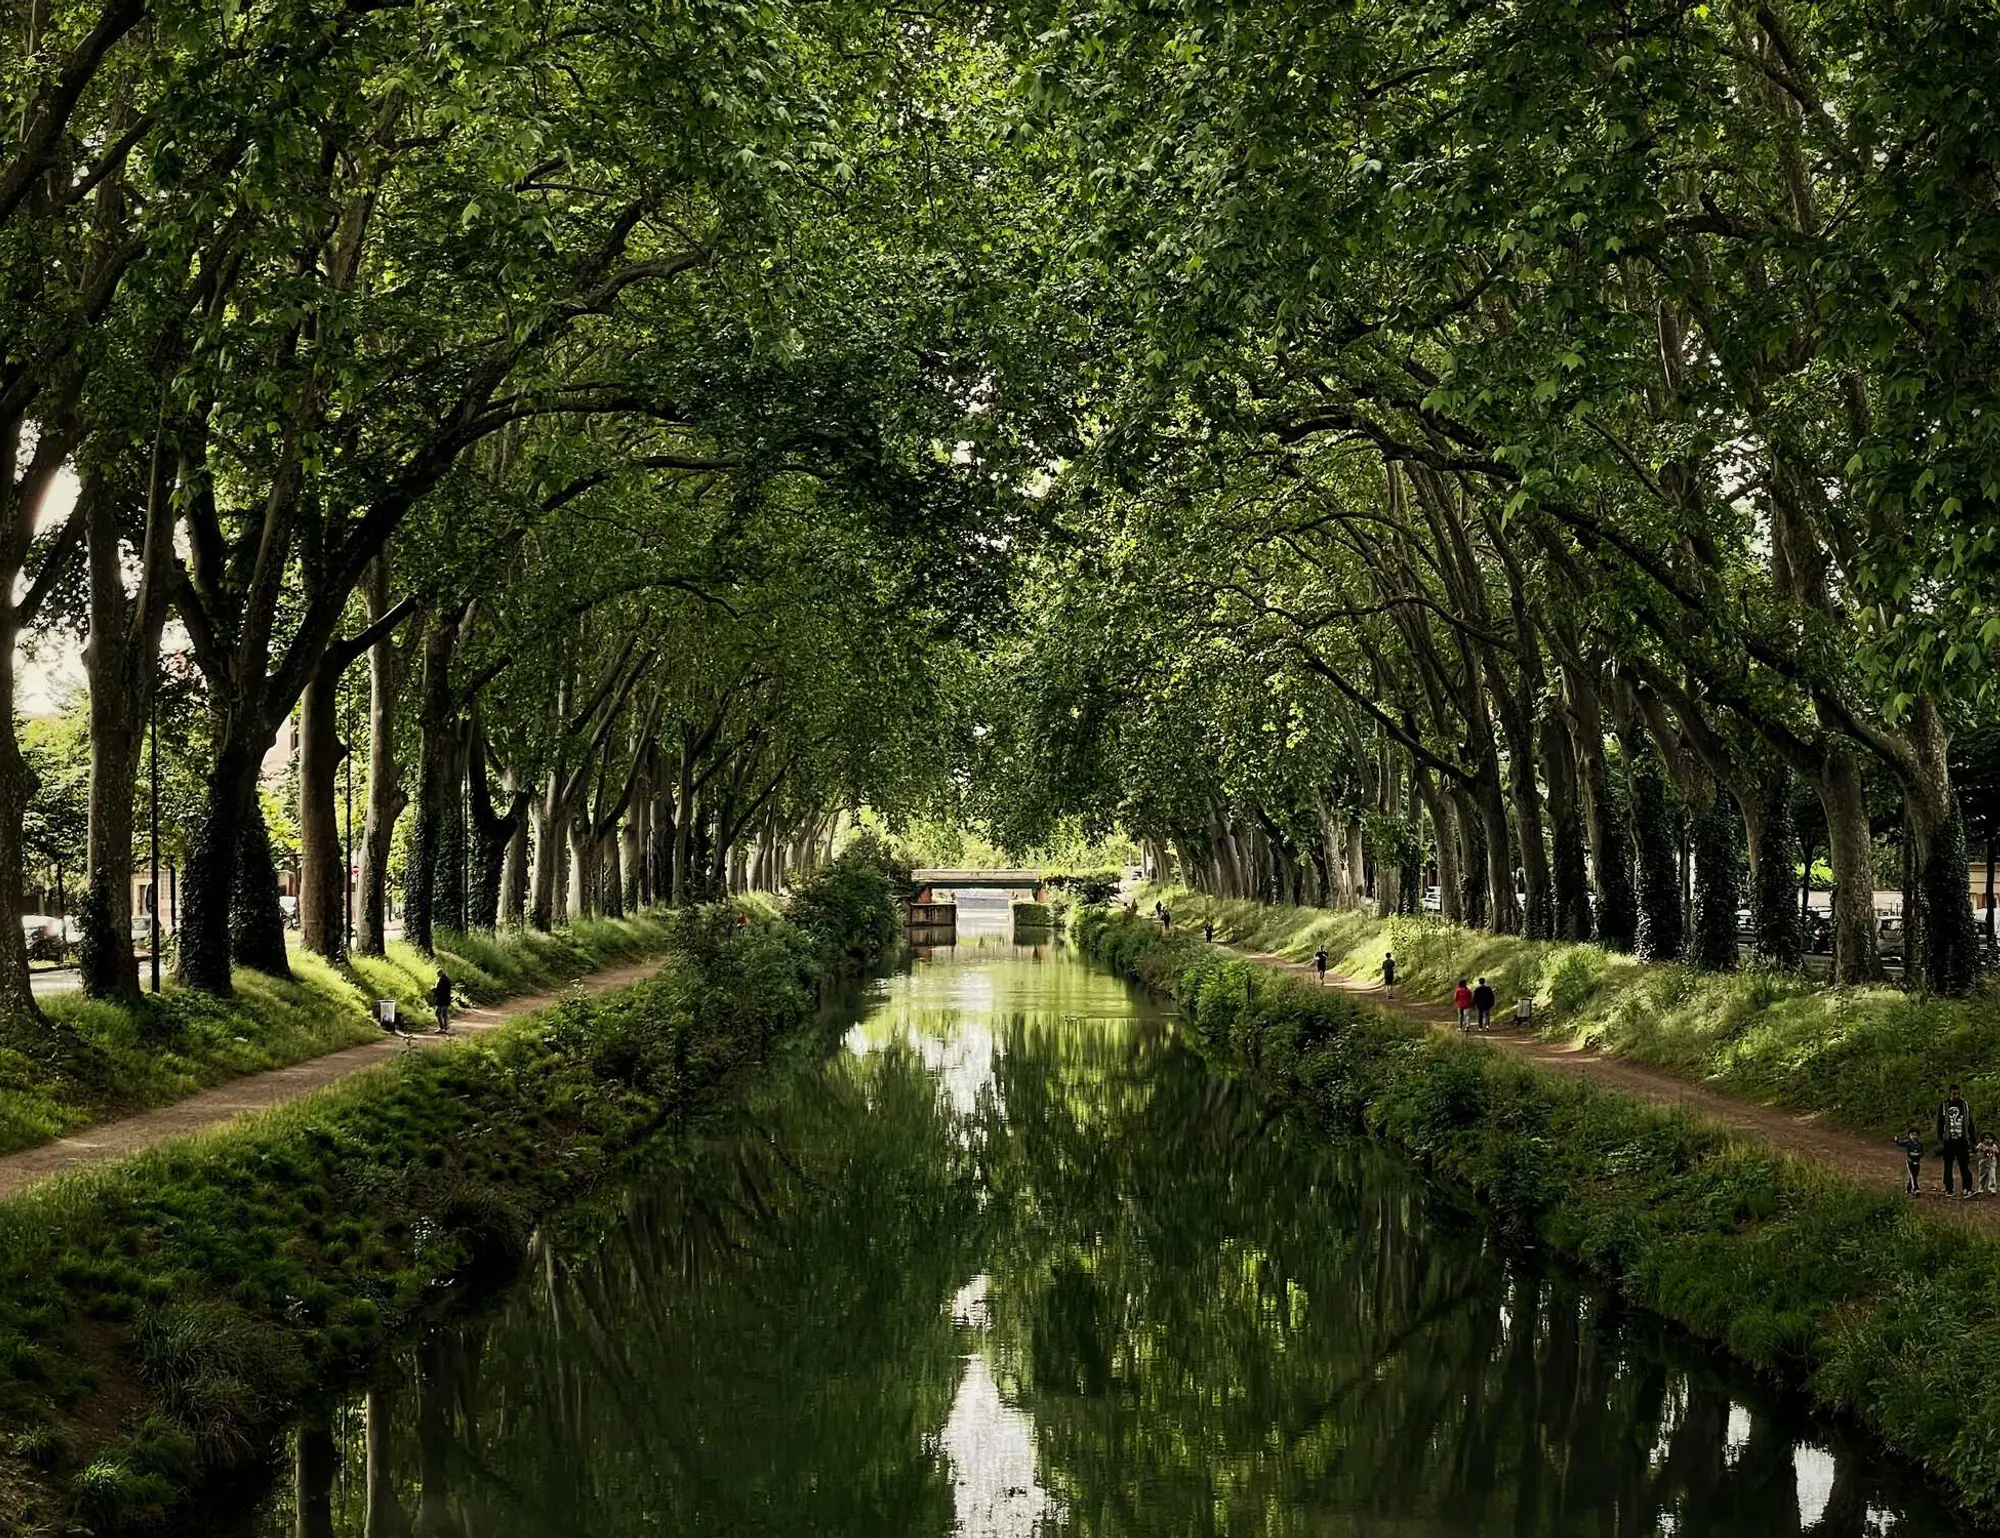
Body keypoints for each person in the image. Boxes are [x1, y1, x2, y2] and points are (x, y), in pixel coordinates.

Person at [1936, 1085, 1976, 1198]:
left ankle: (1967, 1188)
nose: (1957, 1096)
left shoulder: (1964, 1105)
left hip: (1962, 1139)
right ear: (1950, 1094)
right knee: (1948, 1165)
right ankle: (1949, 1188)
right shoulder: (1944, 1105)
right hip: (1949, 1140)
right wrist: (1941, 1138)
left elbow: (1969, 1122)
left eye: (1958, 1093)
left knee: (1964, 1165)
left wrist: (1973, 1140)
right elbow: (1940, 1123)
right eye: (1954, 1094)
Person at [1894, 1130, 1924, 1196]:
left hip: (1917, 1162)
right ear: (1909, 1135)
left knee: (1915, 1176)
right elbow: (1900, 1143)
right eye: (1912, 1135)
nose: (1913, 1136)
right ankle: (1916, 1189)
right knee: (1912, 1175)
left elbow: (1922, 1153)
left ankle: (1908, 1189)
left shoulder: (1920, 1144)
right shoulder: (1908, 1142)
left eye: (1915, 1135)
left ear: (1918, 1136)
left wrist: (1918, 1155)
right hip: (1910, 1162)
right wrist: (1897, 1140)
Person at [431, 969, 454, 1036]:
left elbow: (438, 990)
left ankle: (441, 1028)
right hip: (447, 999)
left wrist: (433, 989)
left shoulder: (440, 980)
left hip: (441, 1000)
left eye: (438, 974)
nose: (437, 975)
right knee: (444, 1014)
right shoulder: (448, 980)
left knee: (438, 1013)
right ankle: (446, 1027)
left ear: (439, 974)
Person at [1979, 1132, 1999, 1196]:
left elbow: (1997, 1152)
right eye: (1986, 1138)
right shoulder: (1981, 1145)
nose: (1988, 1140)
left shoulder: (1994, 1146)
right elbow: (1977, 1150)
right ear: (1983, 1139)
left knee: (1992, 1175)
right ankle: (1981, 1188)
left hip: (1992, 1162)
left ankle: (1992, 1189)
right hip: (1983, 1162)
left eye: (1990, 1138)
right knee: (1982, 1176)